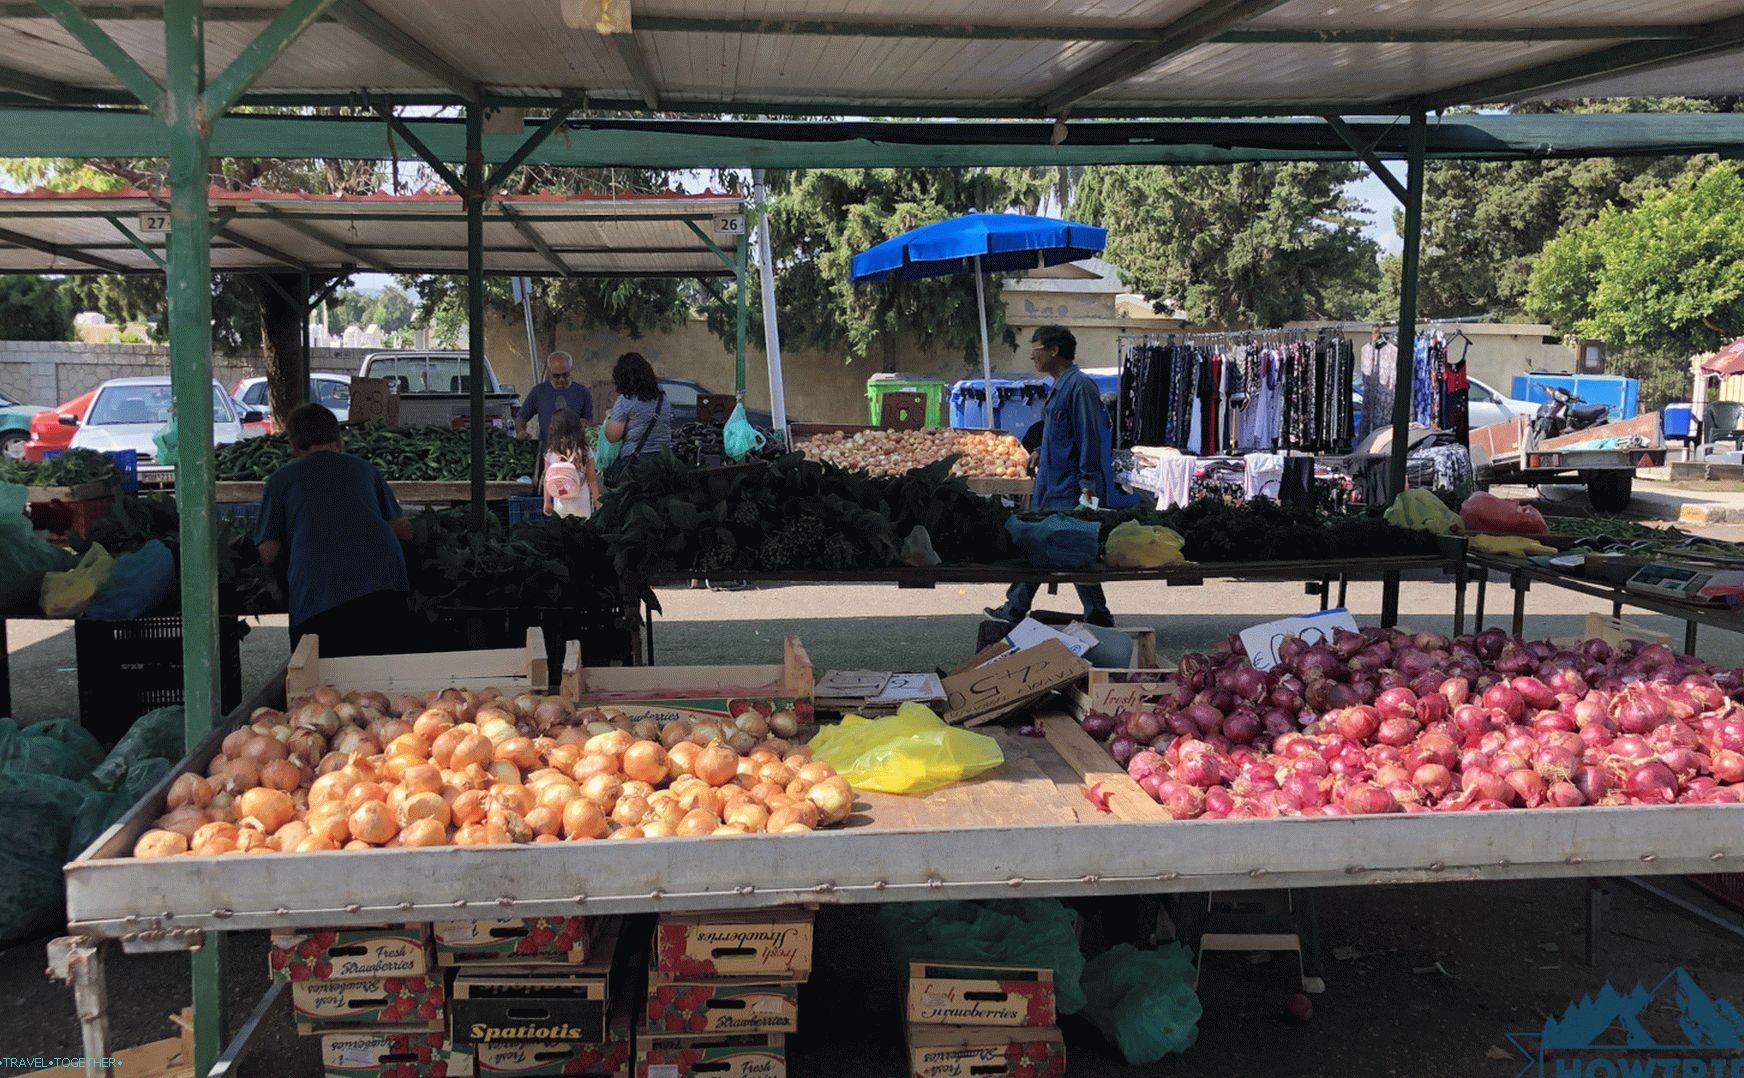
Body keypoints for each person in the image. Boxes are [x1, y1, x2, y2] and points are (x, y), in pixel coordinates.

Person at [256, 402, 415, 656]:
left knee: (323, 676)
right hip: (383, 588)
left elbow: (268, 552)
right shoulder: (366, 470)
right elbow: (404, 531)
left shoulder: (280, 481)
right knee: (385, 674)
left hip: (319, 595)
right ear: (339, 440)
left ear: (293, 446)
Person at [985, 325, 1115, 627]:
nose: (1032, 356)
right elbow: (1062, 434)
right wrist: (1041, 451)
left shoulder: (1080, 387)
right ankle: (1018, 608)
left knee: (1074, 550)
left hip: (1074, 490)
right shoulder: (1058, 387)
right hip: (1051, 487)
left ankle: (1094, 615)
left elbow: (1088, 439)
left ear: (1054, 351)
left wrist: (1088, 490)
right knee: (1043, 547)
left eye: (1036, 349)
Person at [601, 351, 672, 467]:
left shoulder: (626, 401)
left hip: (637, 463)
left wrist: (609, 419)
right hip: (664, 459)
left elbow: (612, 437)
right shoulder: (663, 397)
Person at [516, 350, 593, 451]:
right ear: (549, 372)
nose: (561, 379)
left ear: (571, 369)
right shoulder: (539, 392)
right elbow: (521, 417)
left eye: (565, 375)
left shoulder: (583, 392)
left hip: (574, 451)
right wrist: (521, 432)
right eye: (556, 376)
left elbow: (590, 422)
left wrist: (584, 426)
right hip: (546, 450)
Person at [541, 407, 601, 519]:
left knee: (563, 529)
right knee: (582, 528)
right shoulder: (584, 451)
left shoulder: (551, 452)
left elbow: (547, 478)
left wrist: (547, 501)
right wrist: (597, 500)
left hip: (560, 502)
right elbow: (592, 479)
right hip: (581, 501)